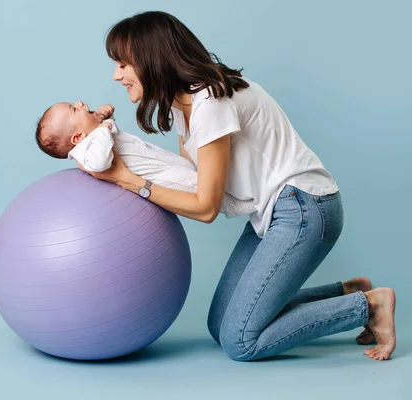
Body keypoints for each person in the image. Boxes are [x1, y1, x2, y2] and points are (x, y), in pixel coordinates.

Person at [75, 10, 396, 361]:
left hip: (305, 209)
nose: (116, 75)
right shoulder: (185, 107)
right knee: (221, 325)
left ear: (152, 59)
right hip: (275, 212)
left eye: (123, 64)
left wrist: (127, 179)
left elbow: (206, 206)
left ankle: (368, 307)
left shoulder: (210, 102)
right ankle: (350, 292)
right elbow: (191, 177)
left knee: (241, 341)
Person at [35, 100, 256, 218]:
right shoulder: (83, 152)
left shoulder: (90, 137)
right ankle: (250, 204)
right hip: (162, 179)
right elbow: (100, 162)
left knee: (203, 178)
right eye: (75, 109)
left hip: (165, 166)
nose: (81, 102)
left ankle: (252, 199)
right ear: (77, 137)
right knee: (202, 188)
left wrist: (104, 120)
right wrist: (102, 125)